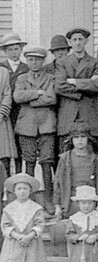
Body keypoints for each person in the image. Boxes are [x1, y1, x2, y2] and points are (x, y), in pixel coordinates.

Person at [13, 47, 57, 214]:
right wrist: (38, 93)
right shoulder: (21, 78)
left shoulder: (50, 78)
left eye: (37, 60)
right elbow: (18, 97)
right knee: (29, 162)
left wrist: (30, 98)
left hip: (46, 125)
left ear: (42, 61)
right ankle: (28, 200)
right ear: (27, 61)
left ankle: (48, 200)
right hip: (27, 126)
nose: (34, 63)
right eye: (30, 59)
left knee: (47, 163)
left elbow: (52, 98)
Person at [0, 173, 48, 262]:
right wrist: (17, 235)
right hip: (15, 244)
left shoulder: (36, 208)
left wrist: (29, 235)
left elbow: (40, 224)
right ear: (14, 191)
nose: (22, 191)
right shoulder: (9, 208)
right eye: (19, 188)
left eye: (25, 189)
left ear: (30, 191)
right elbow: (5, 225)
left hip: (31, 243)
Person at [55, 27, 98, 153]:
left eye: (80, 39)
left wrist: (75, 82)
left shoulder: (96, 62)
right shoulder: (62, 62)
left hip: (89, 113)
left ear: (86, 41)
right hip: (68, 114)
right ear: (70, 42)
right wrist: (88, 83)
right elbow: (59, 86)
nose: (78, 42)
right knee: (66, 156)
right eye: (74, 40)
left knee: (92, 154)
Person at [53, 122, 98, 220]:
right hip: (71, 201)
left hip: (89, 202)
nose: (80, 140)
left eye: (83, 137)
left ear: (88, 139)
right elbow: (58, 183)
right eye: (76, 137)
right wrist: (57, 206)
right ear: (72, 140)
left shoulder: (94, 159)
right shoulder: (65, 159)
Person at [0, 33, 28, 172]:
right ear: (5, 52)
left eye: (16, 49)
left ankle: (18, 178)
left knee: (18, 146)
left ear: (21, 49)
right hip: (5, 114)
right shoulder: (1, 68)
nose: (13, 52)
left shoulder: (26, 68)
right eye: (10, 50)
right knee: (4, 148)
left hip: (21, 111)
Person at [0, 64, 18, 177]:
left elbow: (7, 94)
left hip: (1, 121)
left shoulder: (3, 72)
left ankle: (4, 190)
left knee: (3, 156)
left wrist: (1, 113)